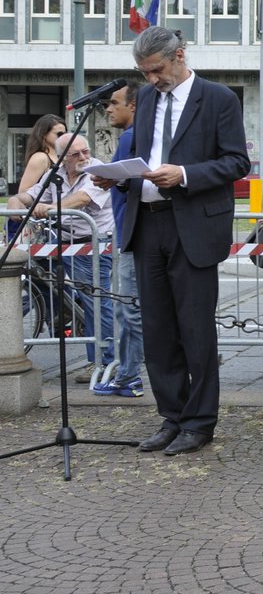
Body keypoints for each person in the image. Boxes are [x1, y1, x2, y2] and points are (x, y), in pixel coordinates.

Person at [119, 27, 250, 455]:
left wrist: (186, 175)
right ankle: (171, 417)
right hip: (148, 223)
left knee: (195, 330)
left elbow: (236, 162)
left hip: (192, 224)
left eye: (156, 69)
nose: (152, 79)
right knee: (157, 330)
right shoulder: (147, 102)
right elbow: (143, 156)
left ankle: (199, 422)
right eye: (144, 72)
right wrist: (116, 178)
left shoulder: (218, 99)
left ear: (179, 55)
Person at [10, 134, 117, 384]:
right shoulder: (55, 175)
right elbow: (30, 195)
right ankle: (61, 311)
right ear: (62, 158)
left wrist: (49, 207)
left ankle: (105, 361)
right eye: (76, 154)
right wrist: (16, 201)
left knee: (96, 302)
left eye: (85, 151)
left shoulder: (96, 172)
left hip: (90, 245)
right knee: (37, 279)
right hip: (60, 242)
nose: (83, 157)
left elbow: (81, 200)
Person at [99, 82, 144, 396]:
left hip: (129, 233)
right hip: (126, 231)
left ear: (133, 105)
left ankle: (132, 374)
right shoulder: (132, 136)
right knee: (125, 308)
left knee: (128, 308)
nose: (108, 108)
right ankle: (128, 373)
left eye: (114, 103)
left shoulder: (131, 136)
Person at [16, 114, 66, 198]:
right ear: (44, 135)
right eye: (59, 134)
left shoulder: (61, 155)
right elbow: (23, 191)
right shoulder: (40, 158)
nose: (63, 137)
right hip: (43, 208)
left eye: (65, 134)